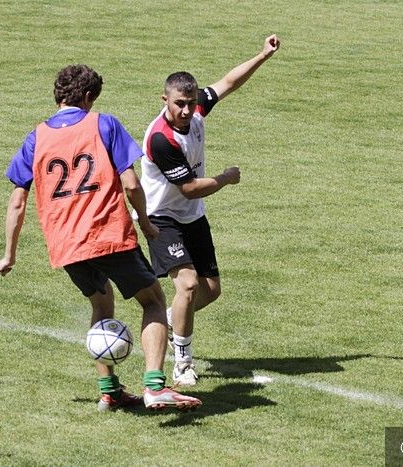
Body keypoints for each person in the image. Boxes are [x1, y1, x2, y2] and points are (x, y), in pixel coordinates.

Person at [0, 64, 201, 411]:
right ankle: (155, 386)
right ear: (89, 97)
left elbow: (17, 202)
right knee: (153, 300)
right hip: (107, 234)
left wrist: (9, 255)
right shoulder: (103, 124)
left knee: (101, 305)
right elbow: (131, 184)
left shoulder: (36, 137)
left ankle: (109, 390)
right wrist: (146, 222)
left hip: (66, 244)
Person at [139, 35, 281, 387]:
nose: (186, 111)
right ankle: (182, 362)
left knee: (211, 291)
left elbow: (228, 82)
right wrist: (224, 178)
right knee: (188, 285)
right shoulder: (161, 138)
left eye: (190, 103)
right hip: (161, 218)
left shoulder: (197, 109)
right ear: (164, 100)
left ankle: (173, 317)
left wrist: (262, 55)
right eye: (179, 104)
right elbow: (188, 187)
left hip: (192, 216)